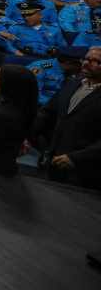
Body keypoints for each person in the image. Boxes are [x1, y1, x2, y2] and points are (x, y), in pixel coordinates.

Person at [32, 45, 101, 189]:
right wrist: (27, 136)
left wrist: (76, 158)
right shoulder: (72, 83)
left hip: (85, 169)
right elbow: (46, 113)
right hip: (54, 160)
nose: (86, 63)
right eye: (86, 59)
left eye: (96, 61)